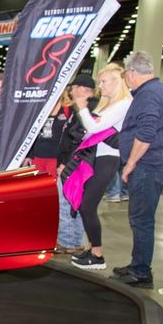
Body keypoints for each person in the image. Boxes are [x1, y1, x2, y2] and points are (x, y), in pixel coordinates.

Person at [110, 51, 163, 288]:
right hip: (156, 164)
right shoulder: (158, 91)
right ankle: (138, 263)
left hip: (148, 166)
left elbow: (146, 133)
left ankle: (141, 271)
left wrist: (130, 164)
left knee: (141, 220)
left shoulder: (148, 95)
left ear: (131, 73)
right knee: (141, 219)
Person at [70, 64, 133, 271]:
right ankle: (93, 249)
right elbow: (90, 131)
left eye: (104, 81)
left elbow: (93, 127)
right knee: (84, 204)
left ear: (117, 81)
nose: (100, 86)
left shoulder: (123, 103)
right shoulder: (110, 104)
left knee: (87, 206)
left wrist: (81, 107)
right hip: (95, 157)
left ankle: (97, 254)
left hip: (107, 158)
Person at [54, 76, 96, 253]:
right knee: (75, 202)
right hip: (77, 163)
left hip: (76, 164)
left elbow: (80, 139)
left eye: (73, 87)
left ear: (83, 89)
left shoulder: (88, 109)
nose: (70, 91)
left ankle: (68, 242)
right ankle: (74, 240)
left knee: (66, 201)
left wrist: (66, 163)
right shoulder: (79, 109)